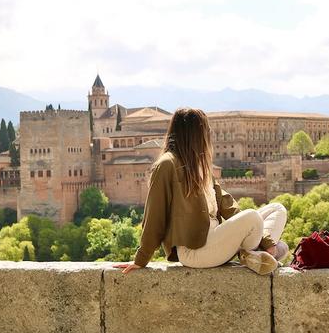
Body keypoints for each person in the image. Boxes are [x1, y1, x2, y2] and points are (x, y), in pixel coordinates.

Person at [115, 108, 289, 275]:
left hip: (217, 239)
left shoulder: (201, 166)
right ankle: (257, 254)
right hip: (196, 250)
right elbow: (155, 216)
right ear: (195, 135)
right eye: (206, 131)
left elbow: (230, 208)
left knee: (277, 209)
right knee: (253, 217)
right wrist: (141, 258)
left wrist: (267, 241)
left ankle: (254, 255)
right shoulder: (166, 165)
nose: (209, 136)